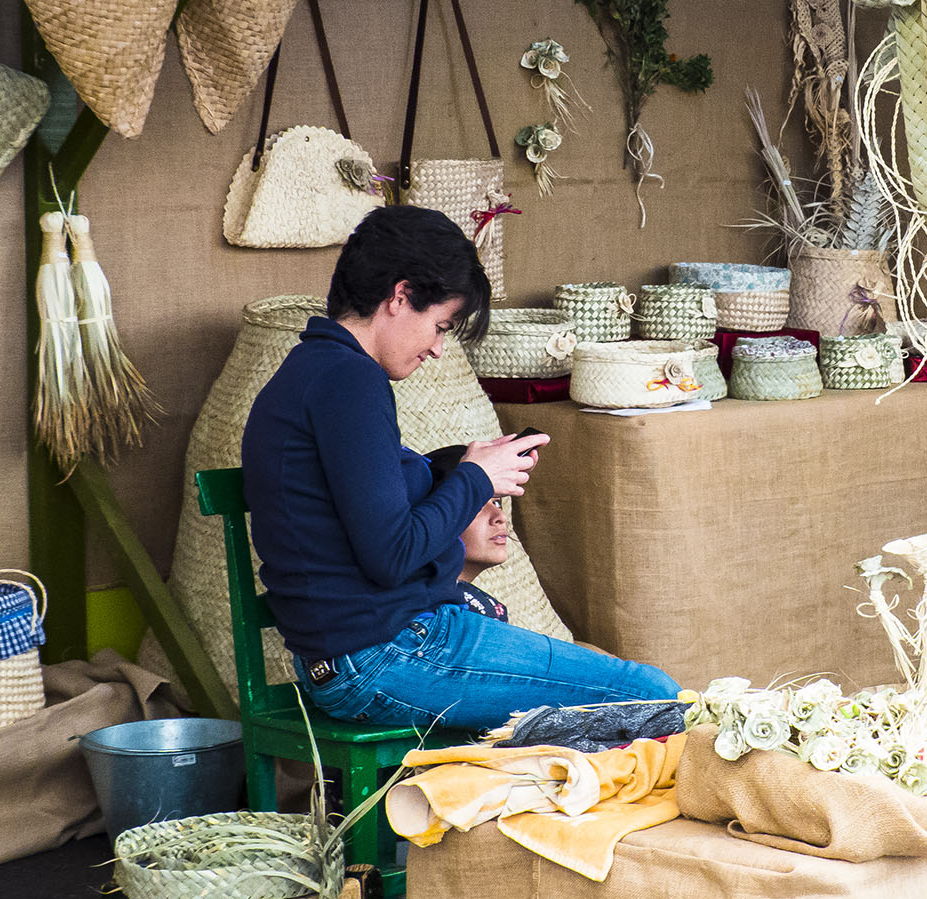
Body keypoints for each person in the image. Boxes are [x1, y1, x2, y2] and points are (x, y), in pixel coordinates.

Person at [240, 206, 680, 732]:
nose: (437, 350)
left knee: (609, 693)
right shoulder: (349, 382)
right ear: (399, 297)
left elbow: (353, 508)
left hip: (358, 652)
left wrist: (465, 466)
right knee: (656, 696)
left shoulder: (312, 372)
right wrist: (476, 478)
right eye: (440, 326)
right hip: (384, 657)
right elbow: (391, 554)